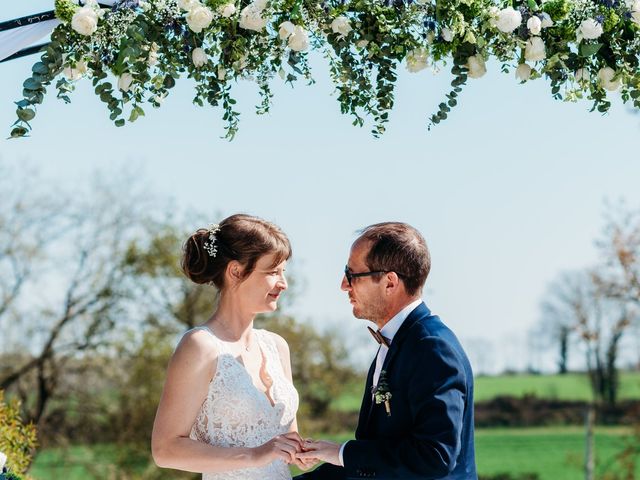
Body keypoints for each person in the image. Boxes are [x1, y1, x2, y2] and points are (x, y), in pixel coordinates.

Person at [295, 222, 477, 479]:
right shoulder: (399, 341)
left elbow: (435, 456)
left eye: (352, 274)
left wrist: (341, 452)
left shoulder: (431, 348)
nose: (344, 285)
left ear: (390, 282)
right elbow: (378, 463)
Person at [151, 214, 316, 479]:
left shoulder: (277, 347)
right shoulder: (200, 346)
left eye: (283, 272)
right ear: (236, 271)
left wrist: (310, 451)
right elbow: (165, 449)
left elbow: (284, 440)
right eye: (273, 272)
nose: (283, 283)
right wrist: (254, 455)